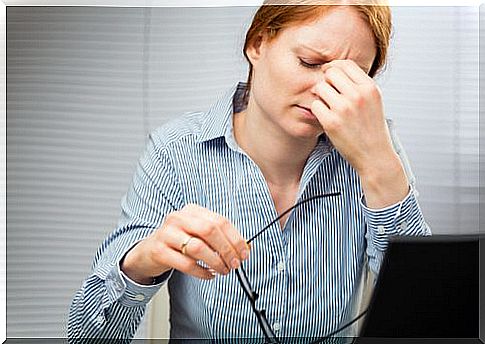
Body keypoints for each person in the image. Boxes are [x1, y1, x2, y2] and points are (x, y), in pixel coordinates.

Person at [68, 0, 431, 342]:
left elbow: (425, 314)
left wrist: (379, 163)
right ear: (257, 43)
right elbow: (86, 335)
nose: (325, 91)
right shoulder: (176, 151)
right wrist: (142, 261)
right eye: (308, 62)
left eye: (350, 79)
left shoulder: (379, 150)